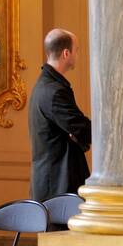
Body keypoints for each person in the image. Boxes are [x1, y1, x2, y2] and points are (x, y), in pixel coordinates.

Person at [28, 28, 91, 202]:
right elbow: (84, 129)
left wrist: (77, 135)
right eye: (76, 50)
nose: (77, 54)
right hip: (57, 188)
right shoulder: (54, 91)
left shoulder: (45, 85)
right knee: (61, 231)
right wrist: (78, 135)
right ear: (66, 53)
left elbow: (77, 130)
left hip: (53, 186)